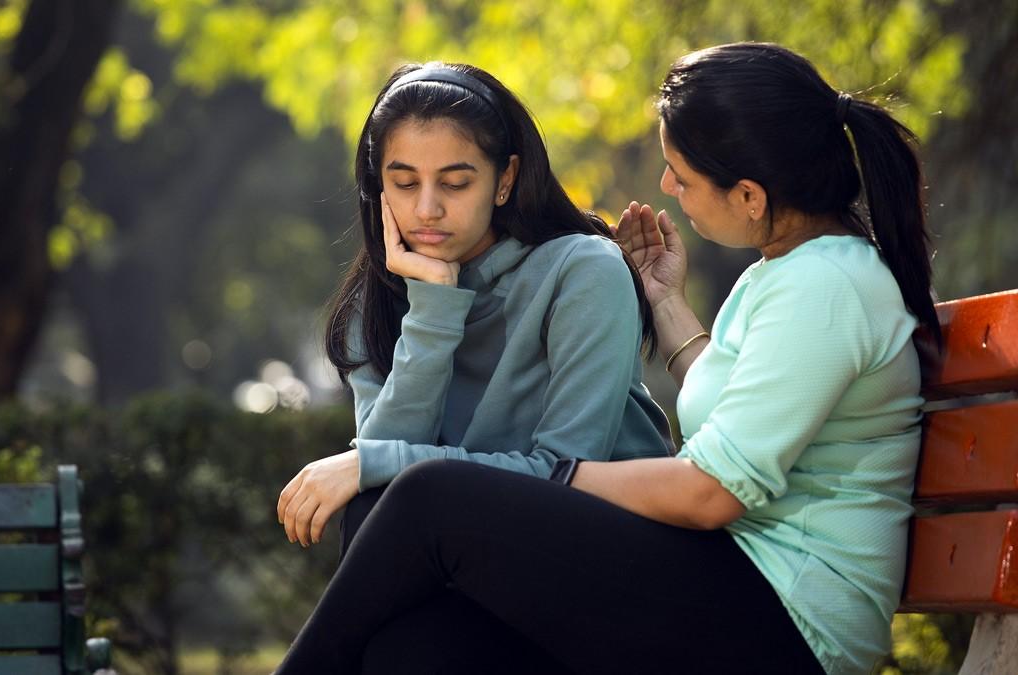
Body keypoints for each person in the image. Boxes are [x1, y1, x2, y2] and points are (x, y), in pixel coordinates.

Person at [274, 42, 939, 675]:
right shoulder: (791, 275)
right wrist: (665, 299)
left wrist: (557, 474)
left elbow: (712, 492)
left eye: (681, 169)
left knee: (425, 492)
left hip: (788, 620)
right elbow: (740, 406)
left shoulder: (824, 288)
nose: (666, 183)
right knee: (414, 650)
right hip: (736, 584)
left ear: (750, 196)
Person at [275, 61, 673, 558]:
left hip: (608, 550)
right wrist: (434, 306)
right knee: (371, 504)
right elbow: (381, 490)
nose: (426, 209)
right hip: (475, 559)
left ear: (504, 179)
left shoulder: (582, 271)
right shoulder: (375, 306)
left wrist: (380, 465)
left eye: (455, 183)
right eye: (404, 183)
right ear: (377, 187)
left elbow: (569, 474)